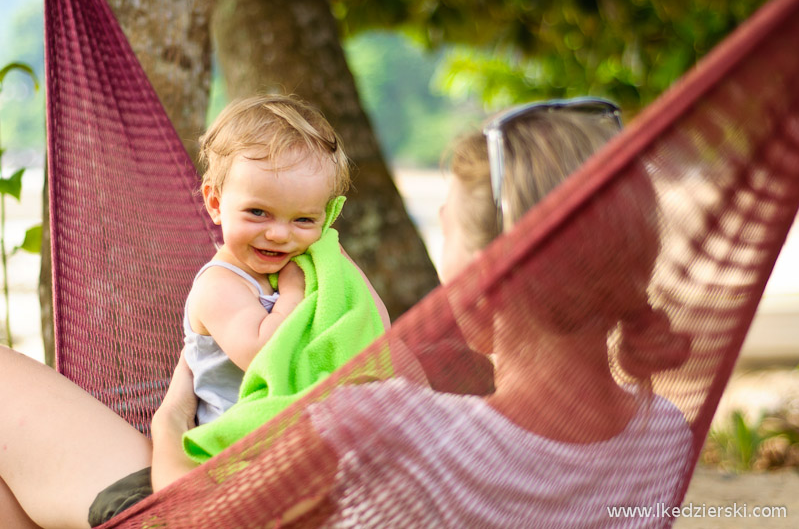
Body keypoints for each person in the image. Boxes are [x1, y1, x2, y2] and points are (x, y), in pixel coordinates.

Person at [0, 99, 692, 528]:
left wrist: (170, 419)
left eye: (445, 233)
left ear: (489, 281)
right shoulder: (664, 438)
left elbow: (189, 517)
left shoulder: (382, 425)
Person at [182, 94, 384, 427]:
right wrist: (292, 293)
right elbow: (263, 354)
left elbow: (373, 325)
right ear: (215, 203)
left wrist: (338, 261)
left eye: (303, 220)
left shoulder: (311, 263)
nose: (278, 234)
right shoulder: (219, 285)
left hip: (306, 428)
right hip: (243, 446)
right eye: (258, 212)